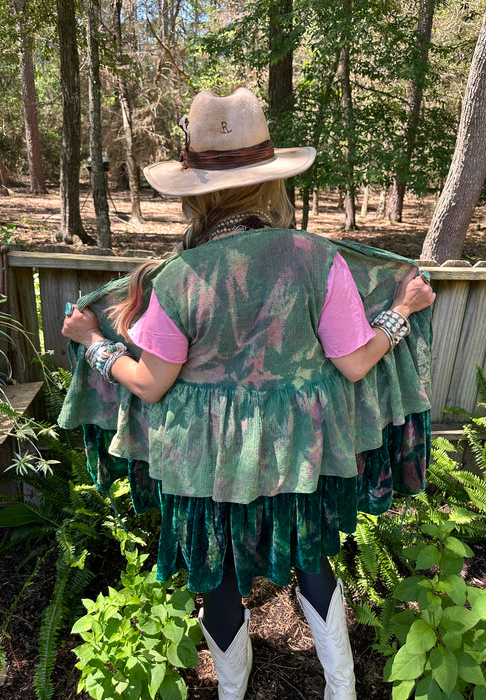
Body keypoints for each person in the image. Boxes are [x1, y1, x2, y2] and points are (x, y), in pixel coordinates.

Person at [60, 87, 435, 700]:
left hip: (206, 467)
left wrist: (94, 343)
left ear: (196, 190)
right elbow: (356, 365)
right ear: (270, 183)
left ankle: (231, 694)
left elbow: (151, 385)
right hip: (299, 458)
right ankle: (341, 690)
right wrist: (399, 310)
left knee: (221, 577)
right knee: (313, 563)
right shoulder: (317, 259)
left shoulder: (178, 278)